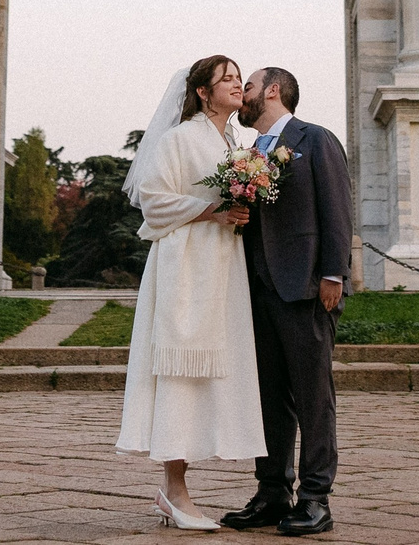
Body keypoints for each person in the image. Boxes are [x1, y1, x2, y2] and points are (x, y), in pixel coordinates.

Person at [118, 55, 267, 531]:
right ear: (202, 92)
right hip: (185, 270)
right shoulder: (179, 138)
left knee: (213, 376)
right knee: (180, 374)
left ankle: (181, 485)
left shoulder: (234, 143)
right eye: (227, 79)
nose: (238, 85)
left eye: (240, 78)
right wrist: (213, 211)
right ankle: (175, 490)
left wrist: (239, 212)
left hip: (224, 272)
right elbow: (153, 200)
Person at [220, 67, 351, 537]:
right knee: (268, 398)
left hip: (307, 286)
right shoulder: (245, 153)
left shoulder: (314, 139)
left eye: (249, 86)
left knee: (314, 397)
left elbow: (336, 206)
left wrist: (334, 272)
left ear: (272, 91)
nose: (243, 94)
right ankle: (273, 491)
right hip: (257, 290)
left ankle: (316, 497)